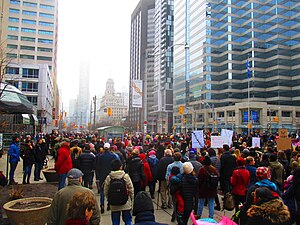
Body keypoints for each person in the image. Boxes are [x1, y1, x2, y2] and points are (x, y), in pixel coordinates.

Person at [104, 159, 134, 225]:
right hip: (125, 201)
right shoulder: (125, 176)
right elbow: (131, 188)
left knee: (115, 221)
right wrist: (131, 198)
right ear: (120, 167)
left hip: (114, 202)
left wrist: (109, 199)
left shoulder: (109, 177)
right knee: (128, 220)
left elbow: (106, 190)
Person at [95, 142, 117, 213]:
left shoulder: (100, 156)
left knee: (102, 191)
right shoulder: (113, 156)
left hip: (102, 176)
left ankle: (102, 205)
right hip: (111, 175)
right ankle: (108, 204)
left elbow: (98, 167)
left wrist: (98, 176)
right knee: (110, 190)